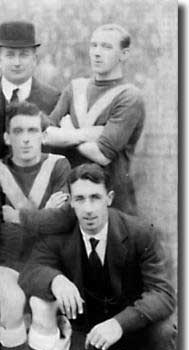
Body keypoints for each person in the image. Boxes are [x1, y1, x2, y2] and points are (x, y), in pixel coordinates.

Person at [18, 163, 176, 350]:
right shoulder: (60, 232)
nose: (88, 208)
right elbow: (30, 271)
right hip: (86, 326)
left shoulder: (139, 232)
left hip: (129, 325)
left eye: (95, 198)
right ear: (70, 201)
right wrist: (56, 280)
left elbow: (163, 294)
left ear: (110, 198)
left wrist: (119, 323)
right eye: (79, 199)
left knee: (164, 329)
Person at [0, 101, 73, 350]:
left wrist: (19, 215)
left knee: (44, 308)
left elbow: (65, 222)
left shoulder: (59, 165)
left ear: (43, 135)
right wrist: (42, 215)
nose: (25, 139)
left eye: (32, 131)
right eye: (17, 132)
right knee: (10, 306)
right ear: (7, 137)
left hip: (46, 262)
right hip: (7, 261)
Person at [44, 24, 144, 216]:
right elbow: (46, 135)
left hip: (111, 201)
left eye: (106, 47)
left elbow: (101, 155)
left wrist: (67, 133)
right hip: (71, 196)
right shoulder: (75, 88)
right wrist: (87, 134)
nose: (97, 53)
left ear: (124, 54)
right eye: (94, 45)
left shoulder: (129, 96)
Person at [0, 21, 61, 165]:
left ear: (34, 59)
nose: (17, 62)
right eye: (10, 55)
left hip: (39, 184)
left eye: (24, 55)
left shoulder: (53, 99)